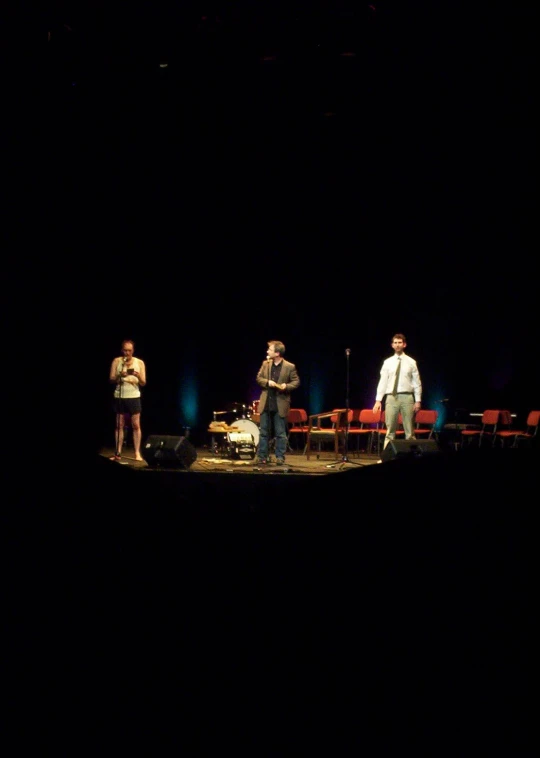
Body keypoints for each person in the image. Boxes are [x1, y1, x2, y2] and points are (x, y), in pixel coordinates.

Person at [373, 333, 422, 450]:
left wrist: (418, 400)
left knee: (409, 431)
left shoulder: (411, 362)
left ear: (404, 344)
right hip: (391, 397)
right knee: (390, 431)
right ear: (392, 345)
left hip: (407, 397)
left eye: (400, 342)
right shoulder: (387, 362)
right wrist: (378, 400)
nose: (397, 345)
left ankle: (412, 456)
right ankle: (387, 457)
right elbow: (383, 382)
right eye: (395, 343)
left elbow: (417, 382)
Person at [256, 340, 300, 465]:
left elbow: (296, 382)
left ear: (277, 353)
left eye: (269, 349)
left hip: (280, 402)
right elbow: (259, 378)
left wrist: (286, 386)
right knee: (264, 432)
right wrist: (266, 382)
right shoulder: (266, 364)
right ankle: (262, 456)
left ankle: (280, 457)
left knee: (280, 433)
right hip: (266, 402)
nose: (267, 351)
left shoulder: (289, 366)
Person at [109, 339, 147, 462]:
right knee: (119, 425)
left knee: (136, 425)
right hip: (120, 396)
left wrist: (137, 375)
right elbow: (111, 379)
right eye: (125, 350)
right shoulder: (117, 361)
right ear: (122, 350)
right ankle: (118, 452)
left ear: (133, 351)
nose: (127, 353)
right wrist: (120, 375)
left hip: (134, 396)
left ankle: (137, 452)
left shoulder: (139, 362)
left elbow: (143, 382)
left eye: (129, 350)